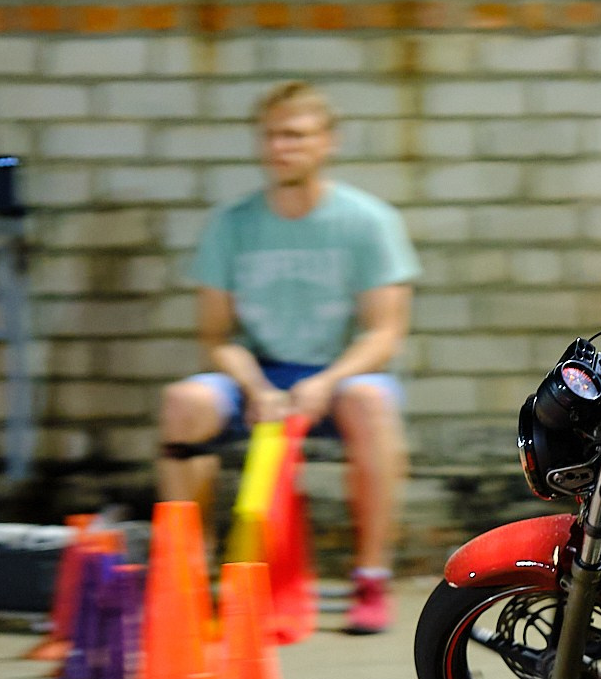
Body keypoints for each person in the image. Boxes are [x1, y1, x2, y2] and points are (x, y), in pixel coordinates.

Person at [156, 81, 419, 635]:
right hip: (260, 376)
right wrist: (256, 387)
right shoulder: (232, 225)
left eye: (296, 136)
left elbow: (384, 332)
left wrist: (326, 381)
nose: (281, 147)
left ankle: (371, 576)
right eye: (271, 136)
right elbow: (215, 336)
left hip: (341, 377)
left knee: (371, 402)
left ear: (328, 142)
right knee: (183, 403)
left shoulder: (367, 222)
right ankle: (192, 575)